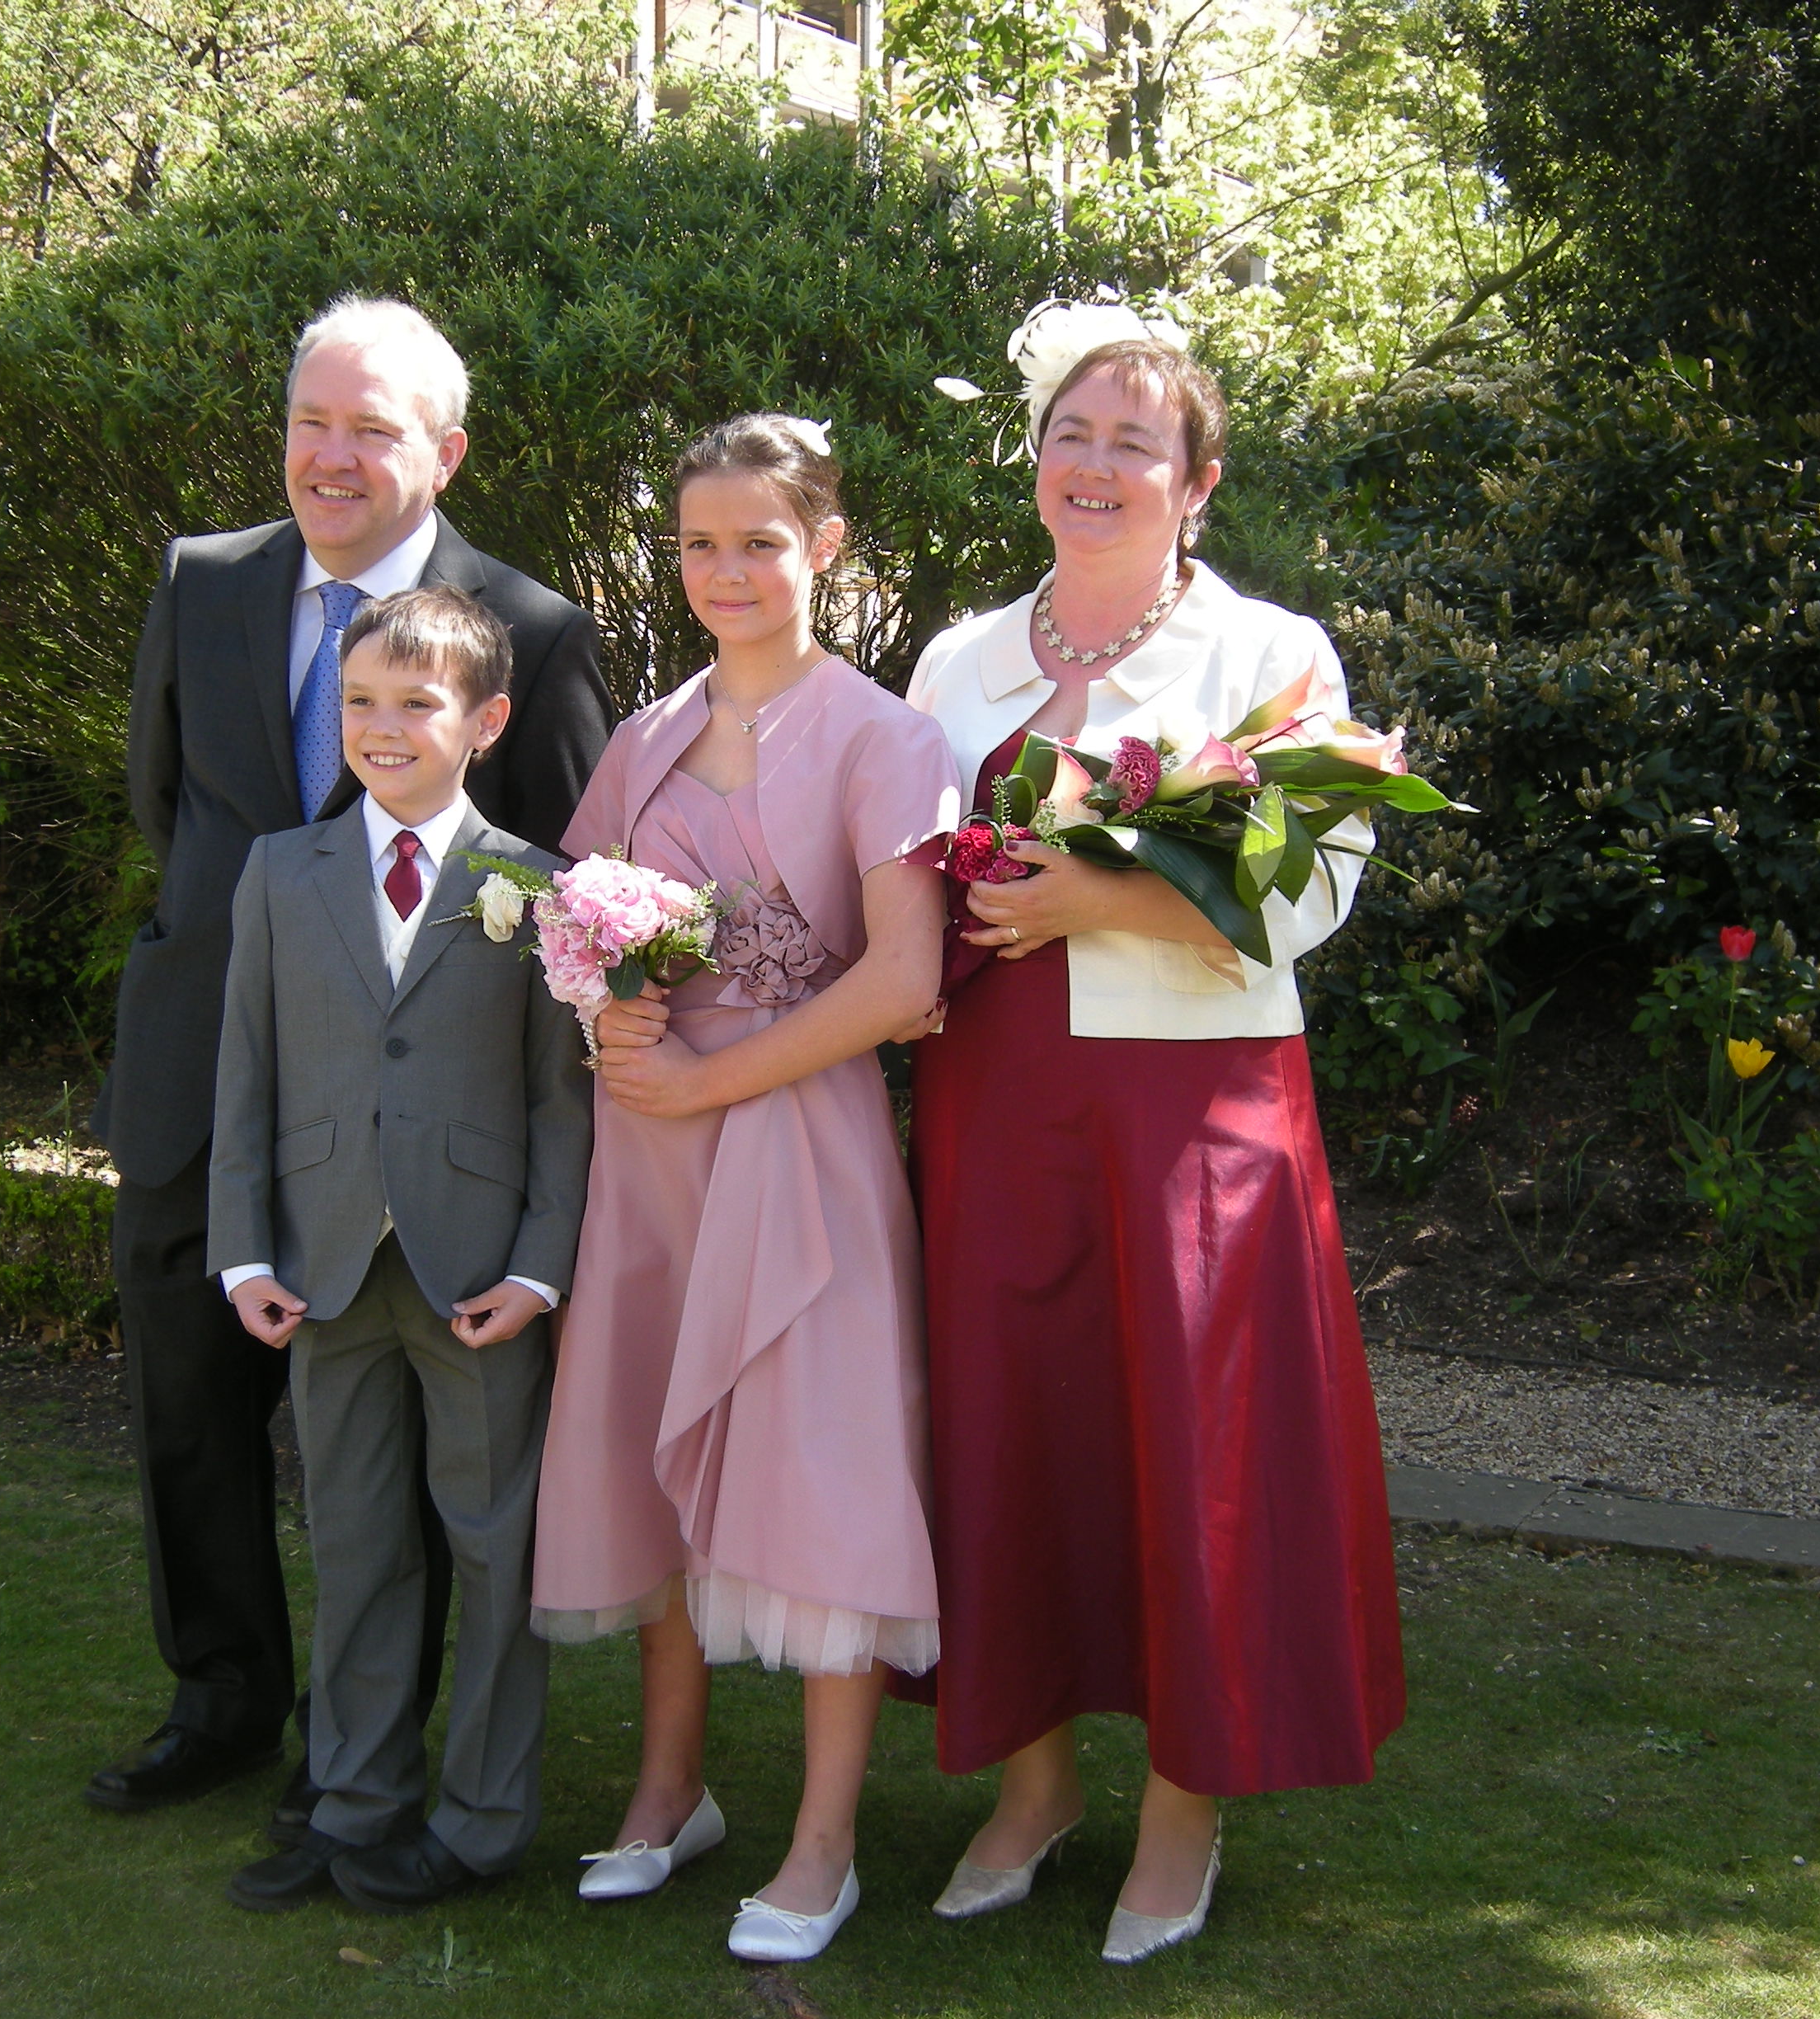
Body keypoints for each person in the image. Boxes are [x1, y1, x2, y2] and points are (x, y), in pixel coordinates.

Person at [899, 306, 1404, 1965]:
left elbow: (1308, 892)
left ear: (1196, 477)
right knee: (1008, 1428)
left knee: (1196, 1452)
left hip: (1197, 1117)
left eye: (1135, 441)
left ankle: (1183, 1819)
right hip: (998, 1105)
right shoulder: (958, 660)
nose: (1096, 464)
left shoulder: (1272, 659)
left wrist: (1091, 891)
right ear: (1035, 462)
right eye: (1071, 434)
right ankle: (1033, 1788)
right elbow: (901, 871)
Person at [86, 297, 610, 1828]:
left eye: (370, 429)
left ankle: (368, 1747)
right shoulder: (206, 584)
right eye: (311, 421)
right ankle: (226, 1699)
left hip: (424, 1143)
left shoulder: (531, 626)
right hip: (209, 1082)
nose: (330, 456)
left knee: (401, 1452)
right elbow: (163, 807)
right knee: (188, 1410)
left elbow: (563, 891)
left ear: (443, 453)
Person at [530, 414, 957, 1964]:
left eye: (761, 542)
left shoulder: (884, 736)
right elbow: (575, 918)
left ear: (824, 549)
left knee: (821, 1460)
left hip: (795, 1137)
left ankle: (826, 1839)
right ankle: (667, 1788)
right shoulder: (644, 736)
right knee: (651, 1439)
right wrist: (610, 1008)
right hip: (651, 1151)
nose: (728, 571)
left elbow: (907, 979)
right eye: (702, 543)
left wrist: (712, 1073)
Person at [207, 585, 592, 1913]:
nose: (383, 725)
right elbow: (244, 1073)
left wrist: (542, 1270)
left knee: (494, 1550)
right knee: (359, 1542)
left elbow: (560, 1098)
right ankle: (355, 1800)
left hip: (479, 1273)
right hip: (321, 1267)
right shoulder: (280, 870)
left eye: (416, 703)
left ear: (482, 721)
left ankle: (483, 1818)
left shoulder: (534, 887)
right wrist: (243, 1251)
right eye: (361, 701)